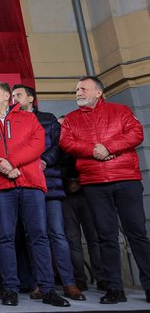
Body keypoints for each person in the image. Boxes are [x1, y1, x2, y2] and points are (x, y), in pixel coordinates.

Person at [0, 82, 70, 307]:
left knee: (39, 236)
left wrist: (12, 162)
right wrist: (2, 168)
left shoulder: (28, 118)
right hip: (0, 187)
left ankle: (47, 288)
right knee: (5, 238)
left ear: (7, 96)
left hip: (31, 183)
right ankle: (10, 289)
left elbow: (37, 145)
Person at [59, 76, 149, 304]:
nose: (78, 92)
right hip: (94, 184)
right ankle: (115, 289)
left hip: (125, 179)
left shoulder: (120, 110)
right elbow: (66, 143)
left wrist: (108, 147)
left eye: (83, 89)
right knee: (106, 236)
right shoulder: (70, 120)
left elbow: (136, 133)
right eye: (77, 89)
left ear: (98, 92)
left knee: (137, 233)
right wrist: (94, 150)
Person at [11, 84, 85, 301]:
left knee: (57, 235)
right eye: (12, 95)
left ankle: (69, 282)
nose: (14, 99)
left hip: (50, 184)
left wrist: (44, 161)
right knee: (33, 236)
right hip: (25, 185)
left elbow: (59, 145)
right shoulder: (12, 122)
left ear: (31, 98)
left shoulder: (48, 118)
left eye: (18, 95)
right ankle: (41, 283)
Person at [57, 115, 106, 292]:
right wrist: (68, 182)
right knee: (72, 240)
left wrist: (79, 181)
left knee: (94, 238)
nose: (63, 128)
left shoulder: (83, 143)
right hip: (65, 197)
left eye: (65, 125)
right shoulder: (56, 147)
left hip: (87, 194)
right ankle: (79, 279)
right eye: (60, 126)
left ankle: (101, 278)